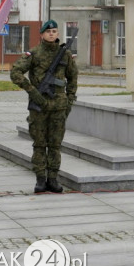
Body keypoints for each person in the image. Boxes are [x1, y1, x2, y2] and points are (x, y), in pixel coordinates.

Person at [11, 19, 78, 194]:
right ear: (42, 34)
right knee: (40, 145)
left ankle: (53, 179)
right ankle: (40, 180)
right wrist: (32, 91)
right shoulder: (34, 53)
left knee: (55, 145)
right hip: (39, 107)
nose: (51, 34)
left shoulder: (65, 55)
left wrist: (69, 101)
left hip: (58, 107)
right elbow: (15, 72)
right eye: (48, 31)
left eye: (55, 31)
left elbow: (73, 79)